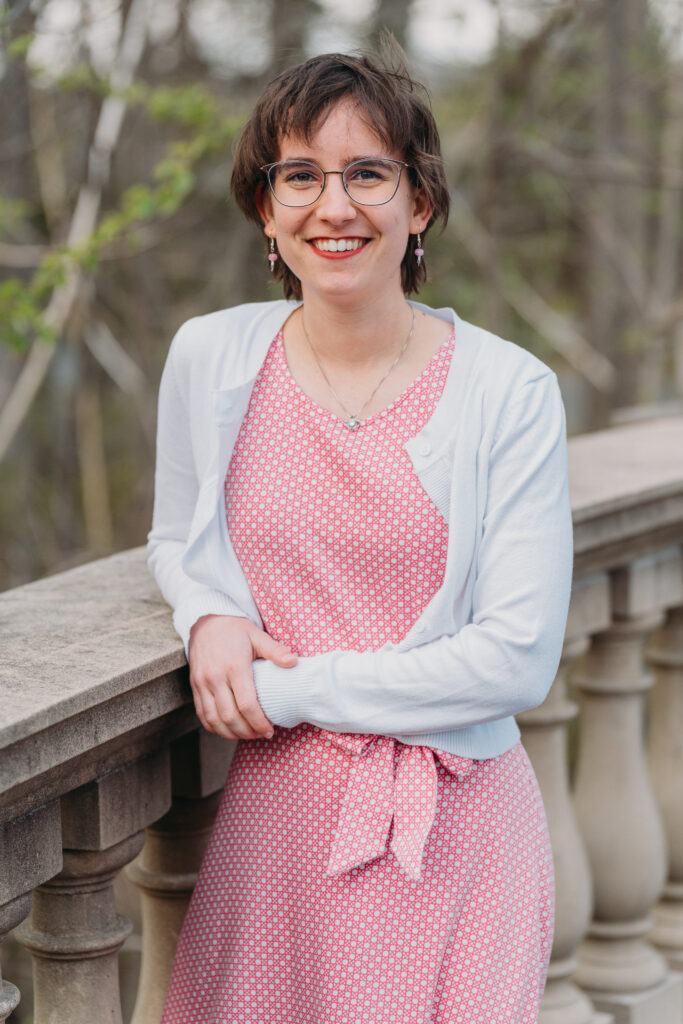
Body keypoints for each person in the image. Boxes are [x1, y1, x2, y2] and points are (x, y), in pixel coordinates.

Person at [147, 42, 573, 1024]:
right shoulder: (209, 358)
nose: (331, 206)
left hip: (455, 827)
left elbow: (514, 659)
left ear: (418, 203)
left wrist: (289, 689)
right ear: (263, 208)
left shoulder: (507, 391)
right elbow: (176, 537)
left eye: (366, 173)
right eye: (298, 175)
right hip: (275, 830)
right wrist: (206, 614)